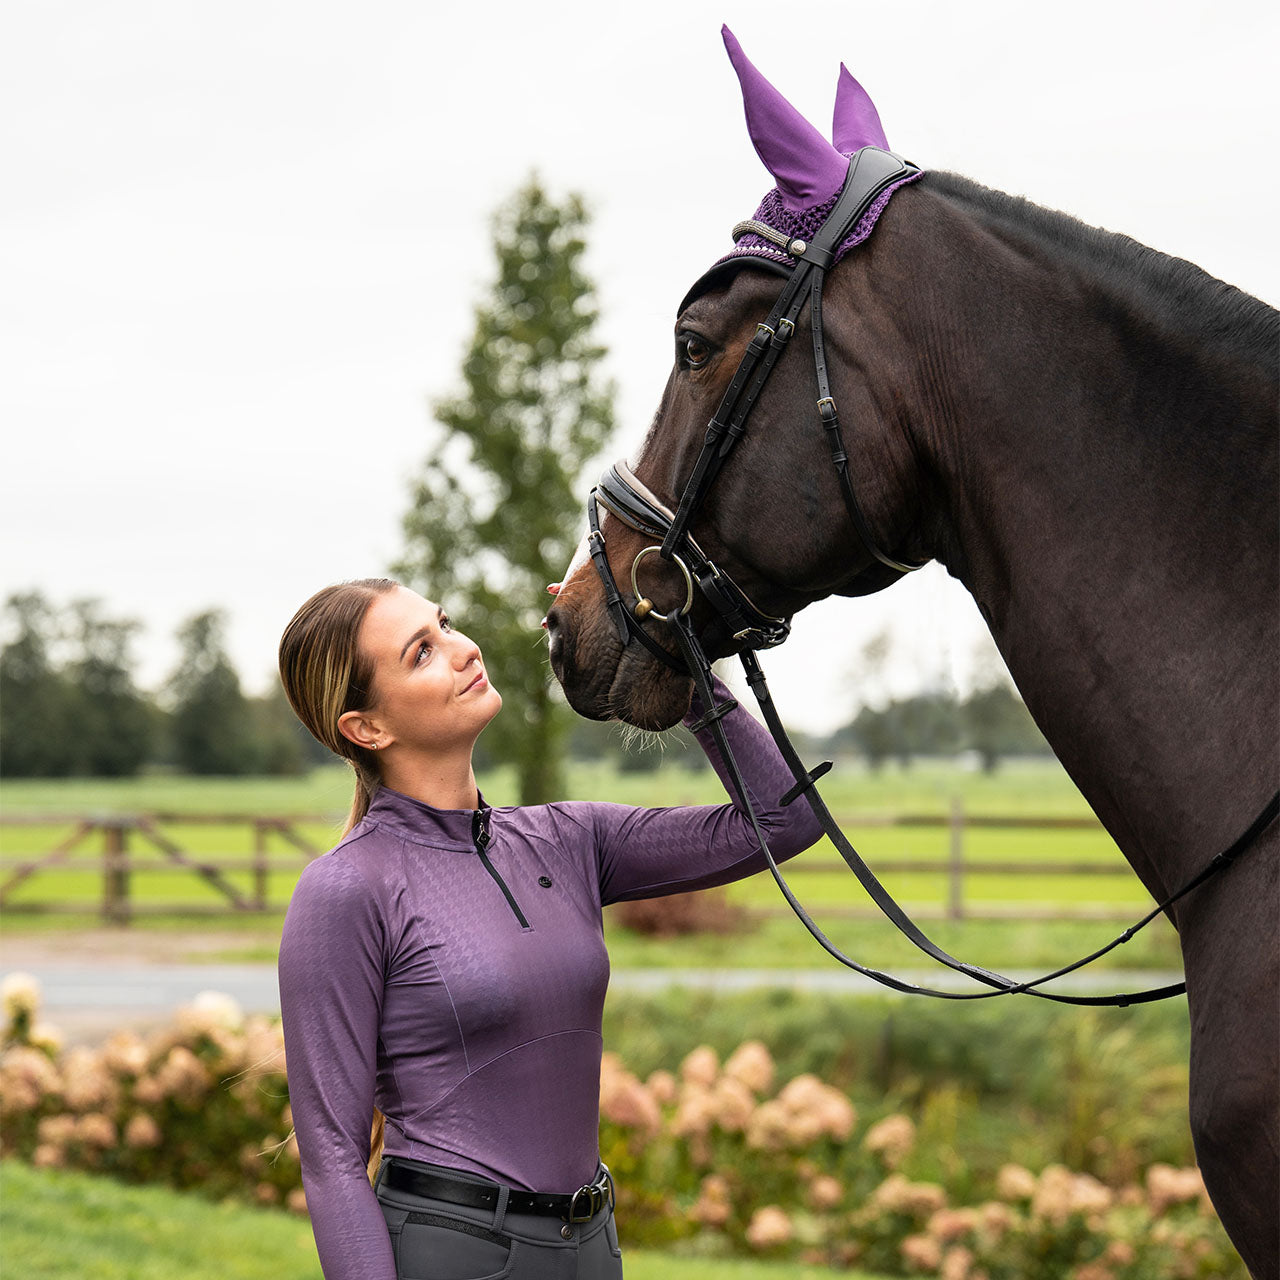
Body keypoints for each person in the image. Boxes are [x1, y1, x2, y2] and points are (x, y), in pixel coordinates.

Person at [276, 577, 822, 1280]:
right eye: (422, 652)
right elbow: (332, 1156)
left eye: (445, 625)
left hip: (591, 1247)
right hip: (455, 1248)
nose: (463, 649)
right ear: (367, 728)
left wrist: (680, 664)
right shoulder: (347, 888)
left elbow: (785, 819)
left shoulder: (569, 838)